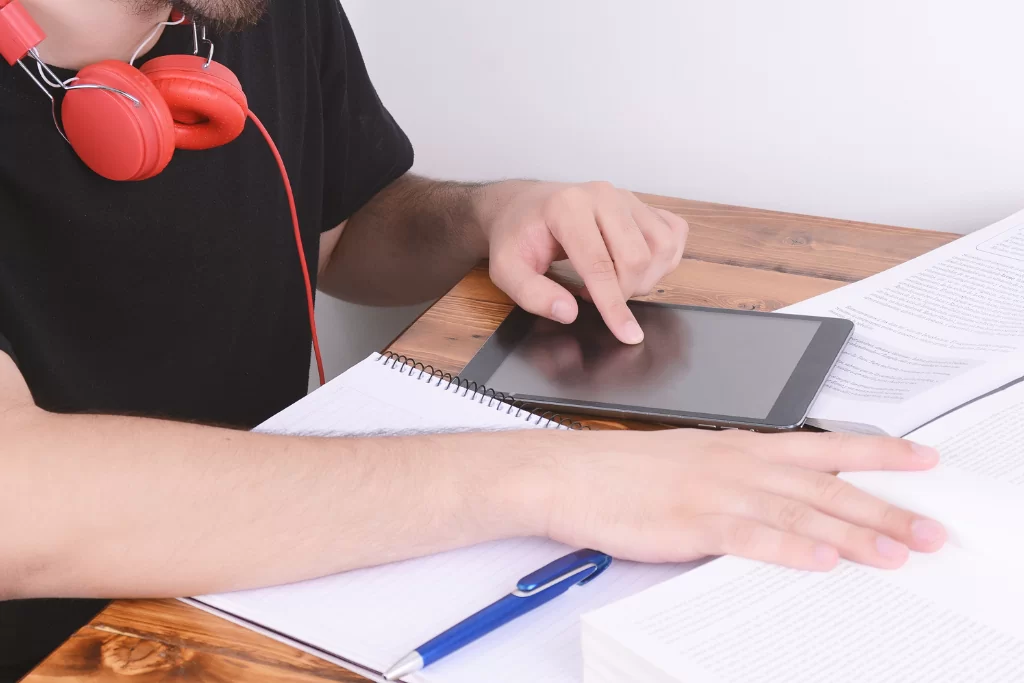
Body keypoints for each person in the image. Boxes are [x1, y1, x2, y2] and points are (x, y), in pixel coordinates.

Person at [0, 0, 947, 679]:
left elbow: (346, 226)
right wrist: (552, 477)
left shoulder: (245, 10)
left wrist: (489, 216)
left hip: (290, 572)